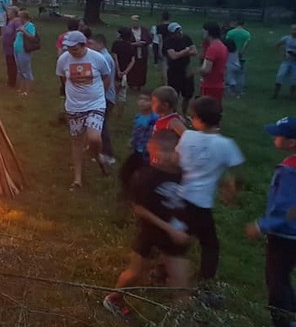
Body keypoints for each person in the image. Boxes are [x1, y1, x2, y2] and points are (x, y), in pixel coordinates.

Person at [103, 131, 190, 318]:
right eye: (163, 151)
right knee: (135, 274)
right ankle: (113, 298)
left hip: (174, 235)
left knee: (181, 282)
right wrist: (168, 228)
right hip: (150, 234)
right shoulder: (148, 177)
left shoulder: (184, 174)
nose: (168, 156)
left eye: (173, 151)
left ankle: (180, 317)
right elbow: (140, 209)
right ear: (153, 151)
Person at [175, 96, 244, 282]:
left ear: (197, 118)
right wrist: (231, 189)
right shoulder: (226, 145)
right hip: (201, 202)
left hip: (181, 196)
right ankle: (206, 279)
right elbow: (237, 174)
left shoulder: (187, 136)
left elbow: (177, 162)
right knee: (210, 244)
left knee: (181, 235)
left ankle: (163, 269)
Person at [245, 117, 296, 327]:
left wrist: (263, 225)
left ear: (292, 142)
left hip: (285, 235)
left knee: (276, 281)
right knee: (283, 277)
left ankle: (283, 322)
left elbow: (289, 208)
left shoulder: (289, 170)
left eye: (278, 134)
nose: (274, 137)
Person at [56, 30, 113, 190]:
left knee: (94, 138)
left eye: (75, 48)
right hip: (74, 106)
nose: (71, 51)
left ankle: (97, 154)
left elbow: (106, 78)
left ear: (84, 45)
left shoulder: (98, 58)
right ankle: (78, 179)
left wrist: (98, 95)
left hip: (95, 104)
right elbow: (63, 79)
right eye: (69, 48)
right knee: (77, 143)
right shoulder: (63, 60)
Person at [118, 91, 158, 199]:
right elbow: (137, 132)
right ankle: (127, 192)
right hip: (137, 150)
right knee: (125, 172)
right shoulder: (138, 117)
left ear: (152, 103)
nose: (142, 102)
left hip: (148, 153)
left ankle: (143, 196)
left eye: (146, 100)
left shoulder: (154, 119)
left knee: (144, 176)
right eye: (140, 99)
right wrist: (132, 140)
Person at [91, 34, 116, 165]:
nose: (90, 47)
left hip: (105, 97)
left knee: (101, 126)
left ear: (100, 44)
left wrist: (98, 97)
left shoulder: (104, 58)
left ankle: (108, 154)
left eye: (92, 44)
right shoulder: (103, 57)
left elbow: (105, 80)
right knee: (98, 125)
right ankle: (99, 151)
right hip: (104, 96)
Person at [162, 23, 198, 116]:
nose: (179, 33)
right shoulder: (168, 41)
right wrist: (185, 51)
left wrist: (181, 53)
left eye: (180, 30)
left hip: (186, 69)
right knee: (174, 94)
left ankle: (184, 113)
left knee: (188, 94)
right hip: (174, 71)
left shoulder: (186, 38)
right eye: (176, 32)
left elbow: (195, 51)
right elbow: (173, 56)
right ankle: (173, 114)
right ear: (171, 33)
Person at [199, 22, 229, 104]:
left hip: (209, 85)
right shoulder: (222, 46)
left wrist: (195, 71)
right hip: (219, 84)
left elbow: (206, 70)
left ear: (208, 32)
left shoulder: (212, 48)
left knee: (205, 110)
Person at [111, 27, 136, 116]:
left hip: (116, 72)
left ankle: (110, 111)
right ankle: (120, 114)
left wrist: (118, 70)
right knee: (122, 95)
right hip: (125, 73)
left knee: (113, 93)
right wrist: (125, 72)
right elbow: (133, 61)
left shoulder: (116, 44)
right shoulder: (130, 46)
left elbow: (115, 58)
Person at [13, 10, 36, 96]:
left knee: (26, 70)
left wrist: (24, 31)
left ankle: (27, 90)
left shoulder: (30, 26)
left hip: (24, 50)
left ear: (24, 17)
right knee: (20, 70)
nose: (18, 19)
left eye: (20, 17)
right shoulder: (22, 25)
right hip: (17, 50)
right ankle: (21, 88)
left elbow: (32, 37)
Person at [225, 19, 251, 96]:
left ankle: (230, 89)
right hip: (241, 55)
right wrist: (242, 52)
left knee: (230, 72)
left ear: (236, 23)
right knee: (241, 73)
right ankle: (240, 90)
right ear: (244, 24)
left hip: (231, 53)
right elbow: (246, 44)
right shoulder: (247, 33)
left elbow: (227, 42)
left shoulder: (230, 32)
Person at [127, 15, 153, 89]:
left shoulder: (144, 30)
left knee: (141, 68)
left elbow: (149, 40)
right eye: (134, 21)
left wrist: (144, 43)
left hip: (142, 52)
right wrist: (134, 44)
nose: (135, 23)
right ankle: (131, 83)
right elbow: (125, 42)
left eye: (136, 21)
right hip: (132, 52)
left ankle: (140, 84)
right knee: (132, 68)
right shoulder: (128, 31)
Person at [273, 24, 296, 100]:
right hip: (286, 61)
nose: (294, 31)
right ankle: (275, 94)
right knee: (280, 76)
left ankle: (292, 96)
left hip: (295, 62)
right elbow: (277, 45)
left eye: (295, 30)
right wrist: (280, 55)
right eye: (293, 29)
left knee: (294, 79)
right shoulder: (286, 38)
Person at [1, 7, 20, 88]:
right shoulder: (9, 21)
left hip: (12, 47)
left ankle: (12, 82)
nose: (8, 13)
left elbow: (17, 33)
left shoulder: (17, 22)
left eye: (9, 12)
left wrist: (14, 43)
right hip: (7, 48)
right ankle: (10, 80)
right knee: (9, 64)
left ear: (14, 13)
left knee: (12, 64)